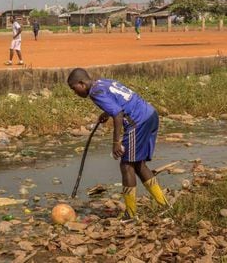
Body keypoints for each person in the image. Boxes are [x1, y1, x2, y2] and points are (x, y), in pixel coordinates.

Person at [67, 68, 169, 222]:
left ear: (81, 83)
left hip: (138, 122)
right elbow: (120, 101)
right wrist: (106, 113)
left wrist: (116, 142)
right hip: (150, 114)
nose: (75, 93)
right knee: (138, 164)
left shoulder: (95, 93)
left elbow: (118, 113)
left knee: (127, 165)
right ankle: (164, 205)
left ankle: (131, 214)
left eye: (74, 89)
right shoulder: (102, 82)